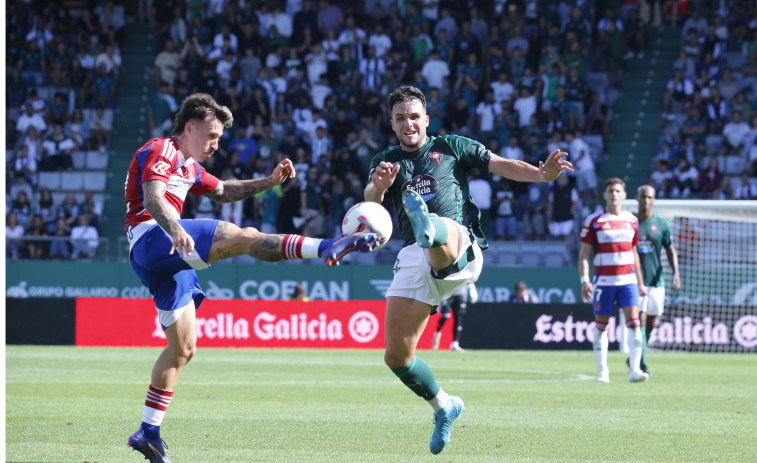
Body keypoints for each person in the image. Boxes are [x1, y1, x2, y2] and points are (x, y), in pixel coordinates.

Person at [125, 93, 380, 462]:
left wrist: (271, 180)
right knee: (244, 236)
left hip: (165, 260)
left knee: (183, 348)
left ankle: (148, 432)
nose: (215, 145)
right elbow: (152, 198)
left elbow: (225, 190)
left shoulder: (191, 167)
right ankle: (326, 247)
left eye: (219, 139)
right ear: (189, 127)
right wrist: (175, 228)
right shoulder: (161, 149)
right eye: (211, 136)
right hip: (154, 238)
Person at [365, 86, 572, 454]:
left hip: (460, 244)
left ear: (426, 120)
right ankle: (445, 406)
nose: (408, 123)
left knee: (436, 232)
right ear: (392, 123)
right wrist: (378, 189)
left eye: (414, 116)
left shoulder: (452, 146)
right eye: (400, 118)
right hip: (415, 258)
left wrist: (542, 175)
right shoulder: (387, 160)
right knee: (397, 357)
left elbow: (500, 164)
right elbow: (370, 204)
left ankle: (429, 227)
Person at [578, 177, 649, 384]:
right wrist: (584, 279)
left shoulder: (632, 221)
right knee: (601, 326)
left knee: (635, 325)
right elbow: (584, 253)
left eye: (618, 191)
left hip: (628, 281)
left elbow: (634, 252)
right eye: (611, 191)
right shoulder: (594, 220)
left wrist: (640, 282)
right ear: (605, 194)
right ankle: (603, 372)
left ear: (624, 195)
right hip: (604, 282)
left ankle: (635, 370)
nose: (614, 194)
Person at [634, 185, 681, 375]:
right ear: (637, 197)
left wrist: (676, 273)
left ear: (654, 200)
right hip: (636, 281)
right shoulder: (630, 222)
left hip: (656, 280)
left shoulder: (661, 224)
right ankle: (641, 363)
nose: (645, 200)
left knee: (651, 323)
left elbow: (670, 249)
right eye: (643, 196)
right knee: (641, 319)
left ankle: (637, 355)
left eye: (649, 197)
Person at [432, 284, 477, 352]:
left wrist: (472, 287)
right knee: (445, 316)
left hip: (460, 293)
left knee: (458, 317)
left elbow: (468, 275)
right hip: (447, 292)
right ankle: (437, 335)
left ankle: (455, 344)